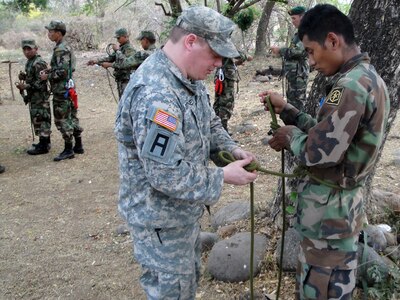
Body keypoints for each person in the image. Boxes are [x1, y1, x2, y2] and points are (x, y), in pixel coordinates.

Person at [115, 6, 258, 299]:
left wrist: (229, 149)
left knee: (185, 288)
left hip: (179, 215)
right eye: (215, 54)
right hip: (161, 222)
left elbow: (209, 122)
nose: (219, 64)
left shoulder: (186, 78)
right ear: (191, 42)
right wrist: (222, 176)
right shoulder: (157, 94)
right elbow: (164, 174)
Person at [260, 4, 390, 299]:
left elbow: (320, 153)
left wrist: (290, 136)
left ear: (332, 40)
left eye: (310, 51)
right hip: (339, 214)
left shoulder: (350, 87)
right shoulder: (367, 79)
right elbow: (332, 135)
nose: (311, 62)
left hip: (328, 222)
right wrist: (290, 112)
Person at [41, 20, 84, 161]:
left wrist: (48, 75)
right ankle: (78, 145)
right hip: (68, 87)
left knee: (62, 119)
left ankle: (68, 149)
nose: (49, 34)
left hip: (62, 90)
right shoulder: (66, 47)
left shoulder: (61, 49)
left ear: (58, 33)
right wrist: (51, 69)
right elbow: (66, 68)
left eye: (50, 31)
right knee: (72, 116)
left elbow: (63, 72)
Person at [270, 6, 309, 111]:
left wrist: (280, 50)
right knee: (292, 101)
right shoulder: (298, 34)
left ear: (303, 17)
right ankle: (293, 125)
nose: (292, 21)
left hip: (298, 75)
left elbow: (299, 52)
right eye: (291, 18)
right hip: (293, 75)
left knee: (299, 103)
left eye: (294, 18)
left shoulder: (306, 33)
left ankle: (300, 126)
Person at [16, 39, 51, 155]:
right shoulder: (30, 62)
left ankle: (44, 145)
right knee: (38, 118)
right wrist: (25, 77)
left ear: (36, 49)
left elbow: (41, 83)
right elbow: (34, 78)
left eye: (29, 49)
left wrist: (26, 85)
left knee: (42, 119)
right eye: (24, 49)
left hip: (40, 97)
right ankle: (44, 142)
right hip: (34, 97)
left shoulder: (38, 62)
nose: (26, 52)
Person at [87, 28, 136, 99]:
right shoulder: (121, 48)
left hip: (127, 80)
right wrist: (96, 61)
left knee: (125, 101)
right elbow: (110, 58)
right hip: (121, 79)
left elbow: (125, 63)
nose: (117, 40)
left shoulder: (130, 49)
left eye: (118, 38)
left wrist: (117, 51)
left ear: (125, 37)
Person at [213, 52, 253, 134]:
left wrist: (235, 64)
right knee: (226, 103)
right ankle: (222, 131)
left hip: (222, 75)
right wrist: (246, 56)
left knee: (219, 103)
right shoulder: (223, 43)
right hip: (225, 78)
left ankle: (217, 129)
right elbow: (234, 53)